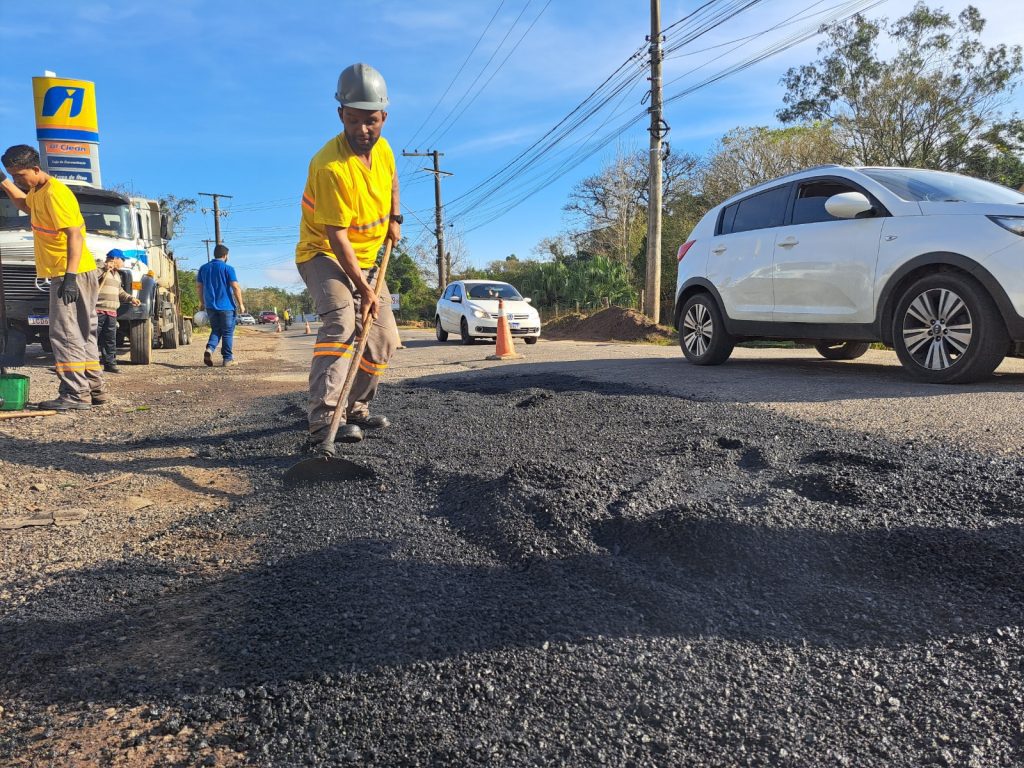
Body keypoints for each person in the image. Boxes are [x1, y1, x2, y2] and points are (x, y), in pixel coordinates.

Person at [295, 62, 401, 452]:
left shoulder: (384, 150)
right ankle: (324, 421)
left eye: (370, 121)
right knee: (342, 322)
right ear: (340, 114)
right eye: (353, 120)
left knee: (383, 339)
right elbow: (336, 236)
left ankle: (354, 407)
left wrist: (395, 218)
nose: (362, 130)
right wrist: (363, 289)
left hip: (369, 257)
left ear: (383, 117)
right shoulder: (330, 167)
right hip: (323, 254)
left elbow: (392, 181)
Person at [0, 144, 105, 410]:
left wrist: (69, 277)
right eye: (12, 175)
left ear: (36, 169)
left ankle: (75, 394)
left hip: (70, 271)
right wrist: (4, 182)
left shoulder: (55, 193)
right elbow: (24, 205)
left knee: (64, 333)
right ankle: (94, 388)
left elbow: (74, 234)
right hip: (75, 271)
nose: (17, 180)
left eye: (20, 175)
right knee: (82, 332)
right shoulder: (38, 192)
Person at [196, 244, 245, 367]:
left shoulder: (203, 268)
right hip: (227, 306)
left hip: (210, 306)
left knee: (216, 330)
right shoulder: (228, 268)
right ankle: (227, 359)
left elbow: (199, 287)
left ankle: (209, 349)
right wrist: (241, 304)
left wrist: (202, 303)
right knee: (227, 332)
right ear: (225, 255)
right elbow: (235, 287)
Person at [97, 250, 139, 373]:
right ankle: (89, 365)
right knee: (92, 339)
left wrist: (131, 298)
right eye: (122, 260)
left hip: (111, 312)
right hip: (97, 310)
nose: (123, 263)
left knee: (110, 340)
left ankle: (110, 364)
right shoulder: (99, 267)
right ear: (115, 258)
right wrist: (104, 269)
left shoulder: (117, 275)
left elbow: (119, 291)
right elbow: (91, 279)